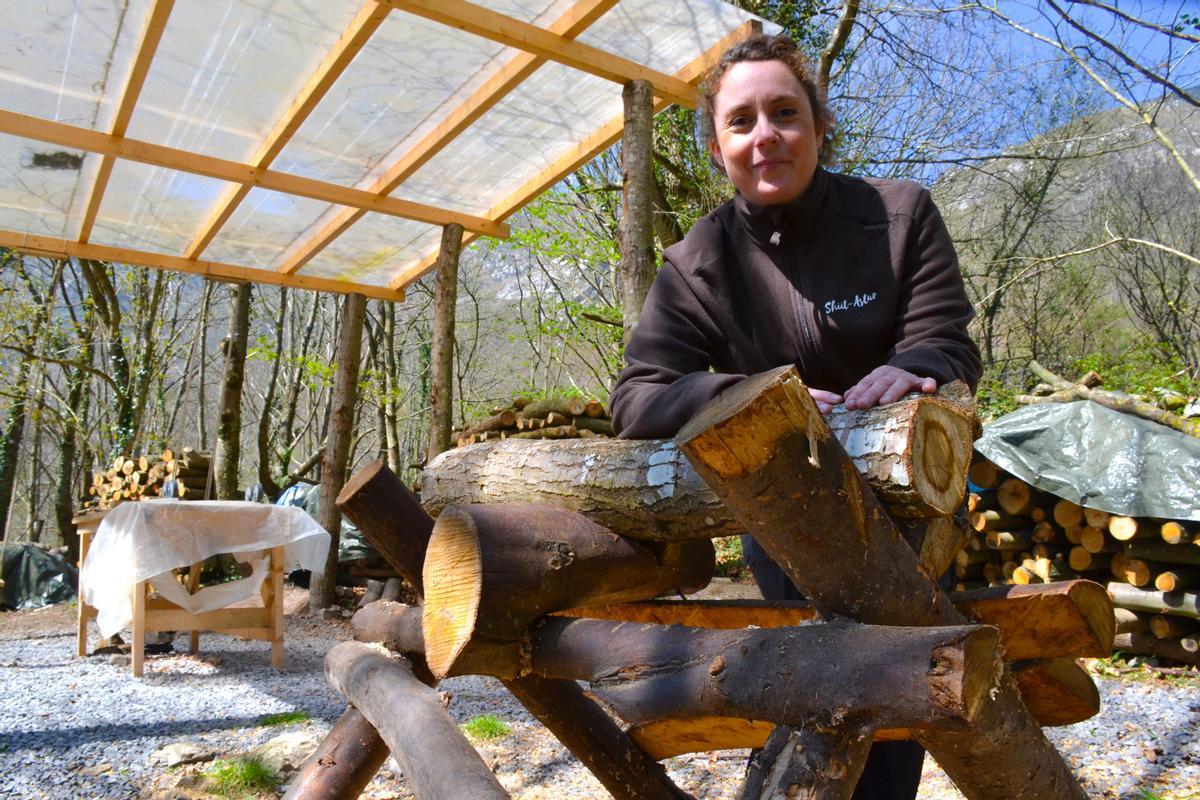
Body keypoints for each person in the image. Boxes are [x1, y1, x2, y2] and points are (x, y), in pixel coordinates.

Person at [609, 33, 982, 800]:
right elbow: (637, 397)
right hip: (786, 524)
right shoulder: (697, 261)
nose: (765, 135)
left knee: (895, 714)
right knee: (814, 703)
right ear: (718, 147)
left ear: (819, 126)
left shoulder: (900, 214)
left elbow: (946, 340)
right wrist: (744, 395)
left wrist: (916, 368)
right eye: (740, 121)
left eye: (784, 112)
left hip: (915, 507)